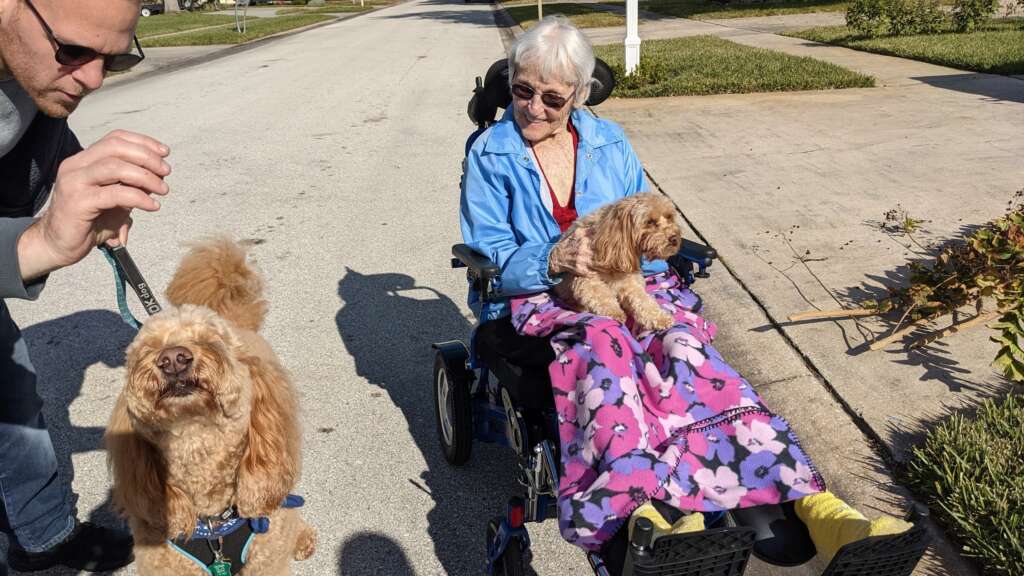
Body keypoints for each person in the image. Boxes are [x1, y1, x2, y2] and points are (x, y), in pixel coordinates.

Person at [460, 15, 912, 574]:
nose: (533, 107)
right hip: (543, 298)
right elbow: (489, 252)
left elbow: (647, 228)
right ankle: (639, 515)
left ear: (577, 94)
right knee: (605, 344)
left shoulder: (609, 142)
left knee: (683, 347)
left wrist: (646, 256)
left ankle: (820, 511)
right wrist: (552, 259)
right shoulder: (491, 153)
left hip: (633, 284)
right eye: (522, 90)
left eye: (551, 98)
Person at [0, 0, 172, 571]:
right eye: (74, 51)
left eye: (115, 58)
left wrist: (80, 178)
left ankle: (44, 536)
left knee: (11, 391)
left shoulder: (32, 63)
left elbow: (40, 129)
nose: (94, 79)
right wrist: (37, 244)